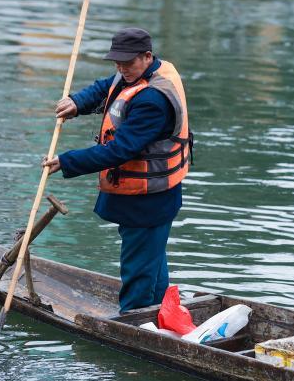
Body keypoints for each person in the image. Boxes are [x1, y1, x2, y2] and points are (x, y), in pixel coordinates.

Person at [42, 27, 192, 314]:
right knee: (152, 263)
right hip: (151, 196)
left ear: (147, 57)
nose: (122, 69)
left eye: (128, 63)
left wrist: (66, 161)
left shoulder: (152, 100)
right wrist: (77, 102)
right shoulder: (136, 74)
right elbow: (105, 87)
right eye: (117, 63)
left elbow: (119, 150)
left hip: (148, 200)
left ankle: (135, 324)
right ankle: (161, 316)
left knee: (138, 271)